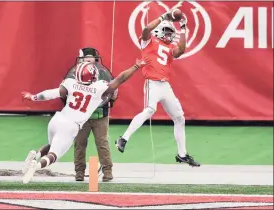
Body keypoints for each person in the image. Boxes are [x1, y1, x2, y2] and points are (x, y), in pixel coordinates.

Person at [21, 57, 150, 184]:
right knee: (54, 155)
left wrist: (33, 97)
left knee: (50, 145)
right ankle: (36, 166)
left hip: (57, 119)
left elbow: (52, 93)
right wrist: (136, 66)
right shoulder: (99, 88)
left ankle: (35, 154)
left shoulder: (70, 83)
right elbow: (121, 78)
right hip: (71, 125)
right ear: (92, 76)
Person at [115, 10, 200, 167]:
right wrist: (163, 17)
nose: (168, 34)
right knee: (149, 110)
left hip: (165, 85)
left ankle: (182, 154)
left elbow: (180, 51)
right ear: (159, 30)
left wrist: (182, 27)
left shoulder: (170, 47)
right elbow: (146, 29)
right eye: (166, 31)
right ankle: (123, 138)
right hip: (152, 83)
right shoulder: (149, 41)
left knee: (180, 118)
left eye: (170, 32)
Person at [63, 47, 117, 182]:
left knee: (102, 144)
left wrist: (112, 97)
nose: (88, 59)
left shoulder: (104, 72)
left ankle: (107, 171)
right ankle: (79, 172)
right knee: (79, 144)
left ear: (95, 59)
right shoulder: (73, 73)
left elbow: (114, 90)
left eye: (90, 57)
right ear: (80, 59)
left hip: (100, 116)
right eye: (85, 57)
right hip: (81, 117)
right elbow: (64, 92)